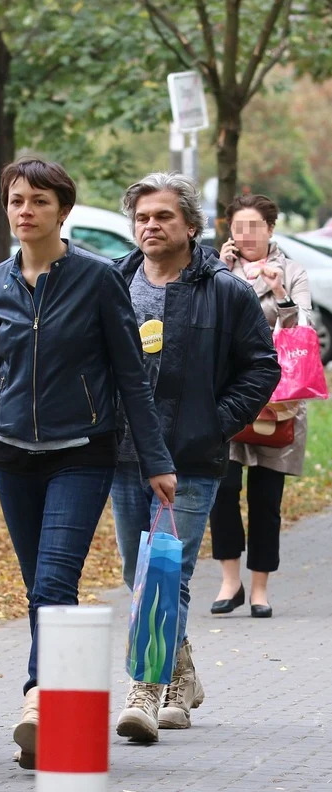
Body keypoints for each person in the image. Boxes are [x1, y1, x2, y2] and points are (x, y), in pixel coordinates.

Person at [0, 158, 177, 770]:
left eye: (40, 201)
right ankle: (51, 709)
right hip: (14, 458)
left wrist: (156, 459)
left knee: (53, 581)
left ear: (63, 211)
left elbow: (131, 375)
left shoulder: (98, 279)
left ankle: (38, 698)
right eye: (17, 200)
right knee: (39, 588)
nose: (26, 211)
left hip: (82, 452)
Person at [111, 173, 281, 744]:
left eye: (162, 216)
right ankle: (181, 676)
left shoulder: (225, 290)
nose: (150, 226)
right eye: (142, 217)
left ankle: (146, 689)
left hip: (188, 457)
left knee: (168, 571)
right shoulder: (115, 281)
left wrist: (213, 422)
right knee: (139, 573)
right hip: (124, 454)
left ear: (190, 224)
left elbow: (262, 366)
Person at [209, 193, 313, 619]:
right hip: (227, 398)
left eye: (255, 226)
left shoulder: (292, 270)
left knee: (266, 499)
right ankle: (229, 580)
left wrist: (278, 289)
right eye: (239, 227)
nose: (247, 235)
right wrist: (216, 269)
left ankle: (259, 588)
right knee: (223, 489)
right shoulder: (216, 268)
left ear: (270, 229)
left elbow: (303, 328)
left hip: (278, 401)